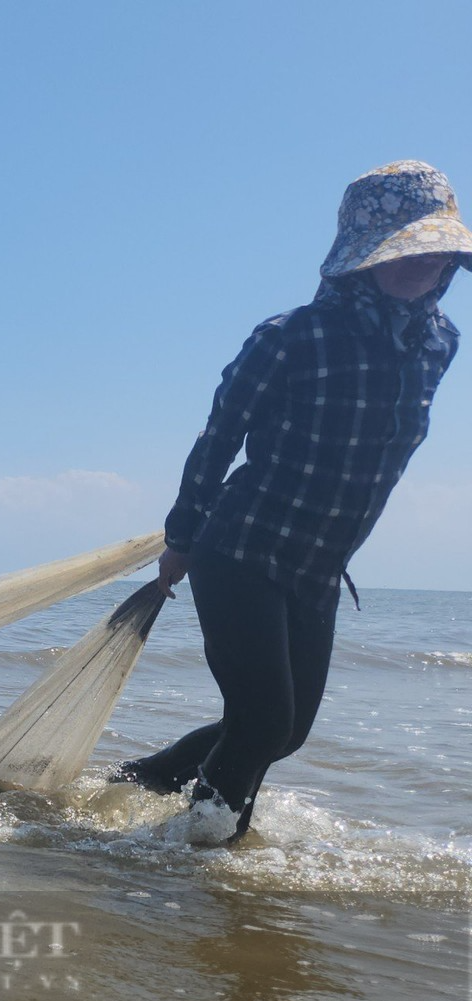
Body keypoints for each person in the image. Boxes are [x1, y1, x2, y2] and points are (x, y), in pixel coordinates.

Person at [116, 161, 467, 843]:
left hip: (319, 568)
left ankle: (144, 781)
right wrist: (181, 539)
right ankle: (209, 859)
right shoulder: (292, 336)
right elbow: (218, 440)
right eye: (400, 248)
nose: (419, 263)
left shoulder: (439, 343)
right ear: (358, 260)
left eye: (433, 248)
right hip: (240, 548)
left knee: (288, 732)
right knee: (262, 722)